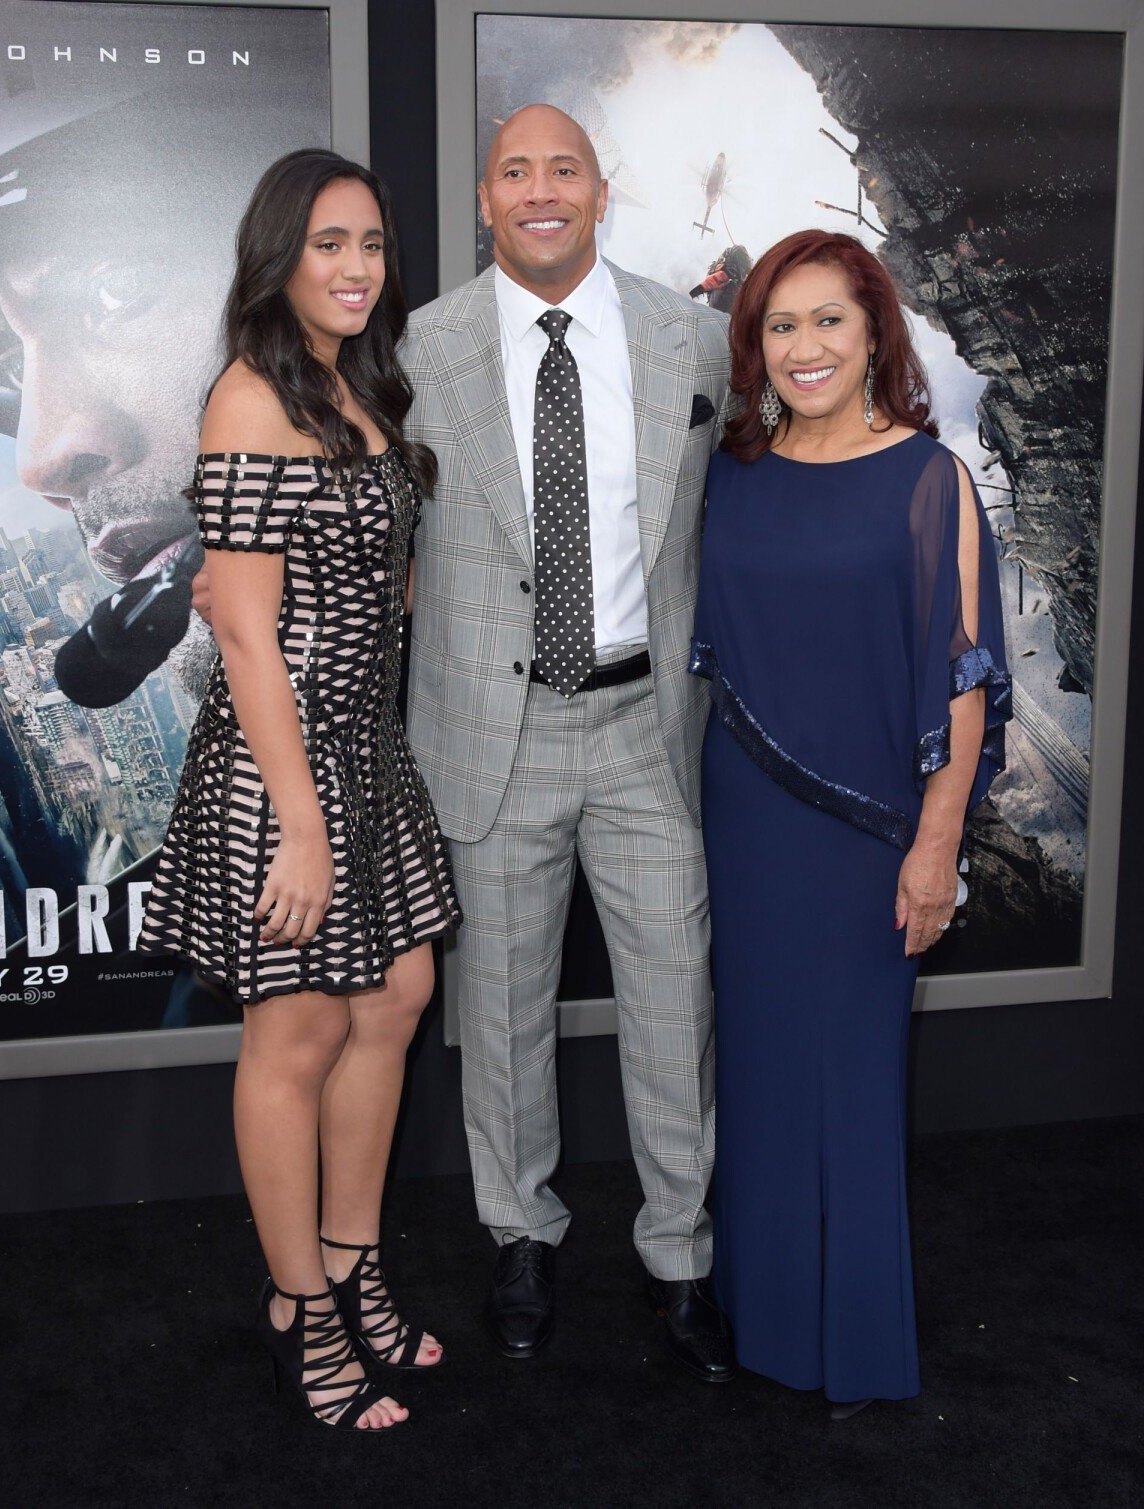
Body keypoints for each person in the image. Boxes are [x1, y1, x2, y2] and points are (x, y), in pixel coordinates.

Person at [399, 104, 735, 1381]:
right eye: (514, 172)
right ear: (485, 198)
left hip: (650, 730)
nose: (540, 191)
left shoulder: (687, 334)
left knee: (672, 1005)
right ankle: (519, 1236)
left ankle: (680, 1256)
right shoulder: (419, 347)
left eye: (564, 169)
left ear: (601, 188)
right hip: (494, 731)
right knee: (499, 1011)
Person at [137, 149, 461, 1429]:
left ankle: (348, 1259)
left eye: (372, 244)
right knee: (300, 1034)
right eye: (330, 244)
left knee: (397, 996)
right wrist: (303, 827)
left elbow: (382, 579)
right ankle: (307, 1317)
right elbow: (248, 638)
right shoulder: (250, 397)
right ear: (278, 256)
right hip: (285, 768)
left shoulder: (358, 384)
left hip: (364, 750)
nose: (357, 268)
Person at [691, 229, 1012, 1418]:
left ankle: (857, 1336)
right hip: (747, 819)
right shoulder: (732, 470)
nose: (807, 345)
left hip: (876, 836)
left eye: (831, 319)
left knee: (858, 1077)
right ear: (755, 345)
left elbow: (965, 679)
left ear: (876, 330)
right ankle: (763, 1311)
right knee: (762, 1066)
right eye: (782, 324)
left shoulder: (929, 478)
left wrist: (938, 846)